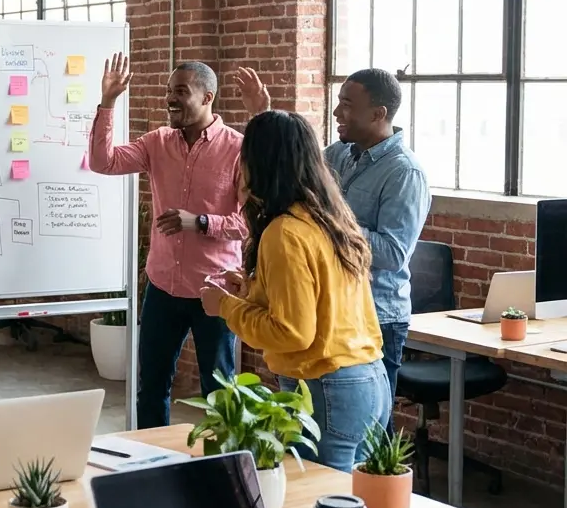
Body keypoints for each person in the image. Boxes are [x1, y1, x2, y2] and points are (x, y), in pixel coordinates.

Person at [235, 68, 430, 425]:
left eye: (346, 105)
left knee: (367, 443)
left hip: (374, 315)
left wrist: (329, 228)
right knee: (312, 438)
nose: (337, 113)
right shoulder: (339, 155)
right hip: (325, 312)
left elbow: (391, 252)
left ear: (378, 114)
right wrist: (263, 115)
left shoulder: (405, 173)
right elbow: (291, 166)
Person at [199, 110, 390, 473]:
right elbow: (321, 301)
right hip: (368, 378)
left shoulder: (284, 232)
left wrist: (225, 306)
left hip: (327, 387)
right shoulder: (329, 216)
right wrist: (253, 288)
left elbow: (292, 332)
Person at [88, 53, 244, 429]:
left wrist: (201, 222)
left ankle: (222, 468)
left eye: (180, 92)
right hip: (162, 287)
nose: (170, 99)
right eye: (168, 91)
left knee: (219, 391)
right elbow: (103, 162)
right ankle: (150, 462)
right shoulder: (158, 142)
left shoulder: (238, 149)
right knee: (152, 386)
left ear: (207, 97)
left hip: (216, 290)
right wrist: (108, 101)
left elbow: (248, 225)